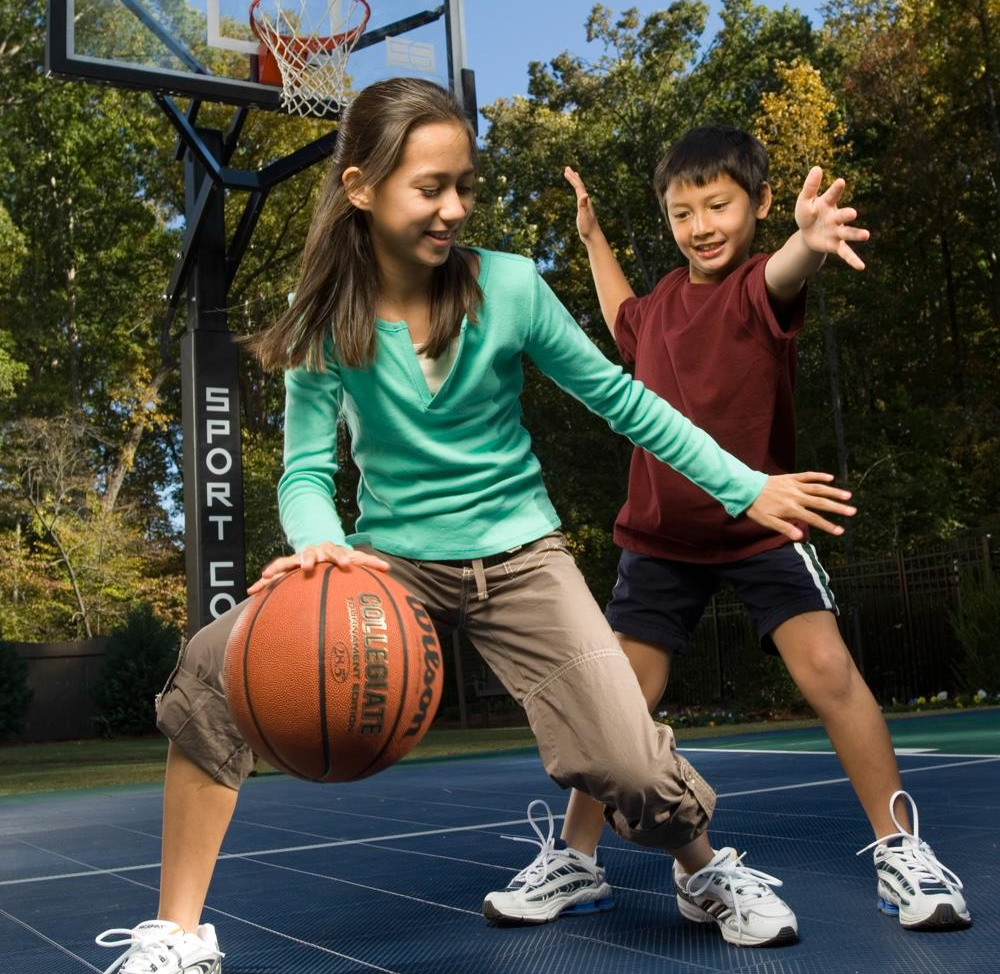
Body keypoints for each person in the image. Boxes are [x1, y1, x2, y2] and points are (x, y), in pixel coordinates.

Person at [95, 84, 859, 974]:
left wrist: (744, 486)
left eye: (464, 185)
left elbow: (624, 400)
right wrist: (318, 544)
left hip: (521, 556)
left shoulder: (508, 284)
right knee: (212, 670)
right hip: (387, 564)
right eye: (429, 188)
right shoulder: (323, 314)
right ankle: (179, 935)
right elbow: (307, 470)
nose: (454, 207)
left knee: (629, 760)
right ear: (360, 187)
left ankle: (701, 871)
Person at [485, 126, 971, 938]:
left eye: (719, 205)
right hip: (660, 536)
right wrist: (595, 237)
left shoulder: (755, 287)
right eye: (683, 213)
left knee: (829, 675)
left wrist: (808, 244)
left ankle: (901, 850)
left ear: (761, 204)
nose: (702, 225)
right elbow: (620, 319)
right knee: (616, 707)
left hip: (759, 523)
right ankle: (577, 860)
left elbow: (787, 271)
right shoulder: (663, 304)